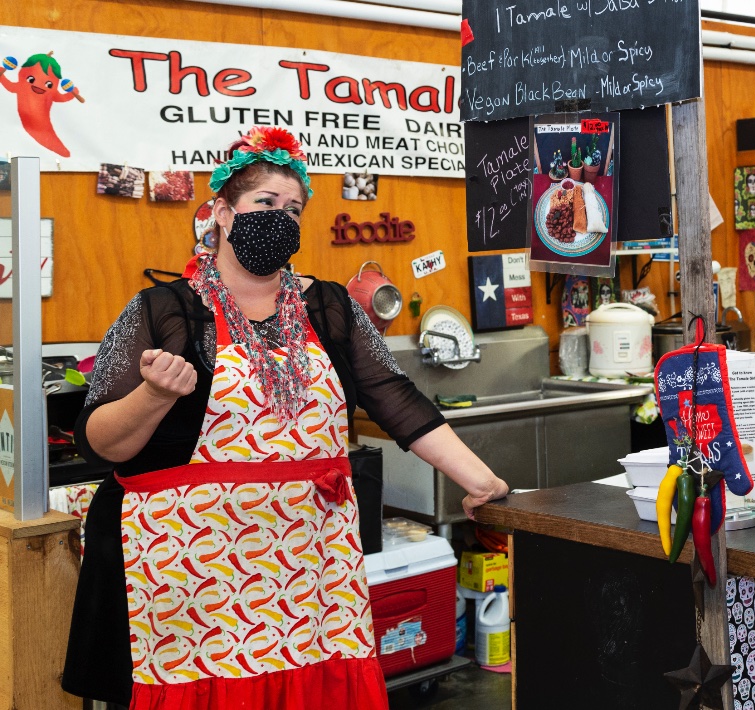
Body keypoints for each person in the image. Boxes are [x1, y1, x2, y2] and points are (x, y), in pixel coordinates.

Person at [62, 127, 509, 709]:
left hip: (307, 564)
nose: (281, 218)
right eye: (265, 202)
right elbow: (97, 443)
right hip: (190, 572)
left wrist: (481, 480)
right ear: (223, 213)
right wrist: (153, 395)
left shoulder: (330, 306)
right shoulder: (163, 310)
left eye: (293, 209)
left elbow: (396, 399)